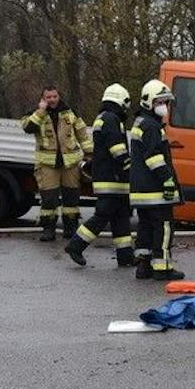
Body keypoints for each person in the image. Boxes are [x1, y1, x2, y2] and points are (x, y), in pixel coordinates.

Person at [66, 84, 136, 268]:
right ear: (122, 100)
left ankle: (125, 256)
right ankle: (76, 245)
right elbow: (116, 147)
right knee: (102, 216)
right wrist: (129, 166)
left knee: (121, 218)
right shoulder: (112, 119)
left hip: (114, 179)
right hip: (111, 179)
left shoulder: (104, 118)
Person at [20, 86, 92, 243]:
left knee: (71, 198)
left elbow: (82, 133)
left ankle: (70, 228)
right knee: (49, 199)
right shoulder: (35, 114)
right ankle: (48, 230)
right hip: (47, 164)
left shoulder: (70, 112)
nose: (52, 99)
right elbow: (28, 128)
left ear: (59, 96)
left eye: (54, 96)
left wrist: (89, 153)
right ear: (43, 99)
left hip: (70, 163)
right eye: (48, 97)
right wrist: (40, 111)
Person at [129, 79, 183, 280]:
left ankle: (144, 265)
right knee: (164, 227)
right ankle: (163, 267)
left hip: (142, 191)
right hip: (155, 190)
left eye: (165, 102)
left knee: (145, 227)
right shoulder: (152, 126)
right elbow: (154, 158)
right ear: (148, 102)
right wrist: (167, 179)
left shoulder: (140, 122)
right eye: (159, 102)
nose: (164, 106)